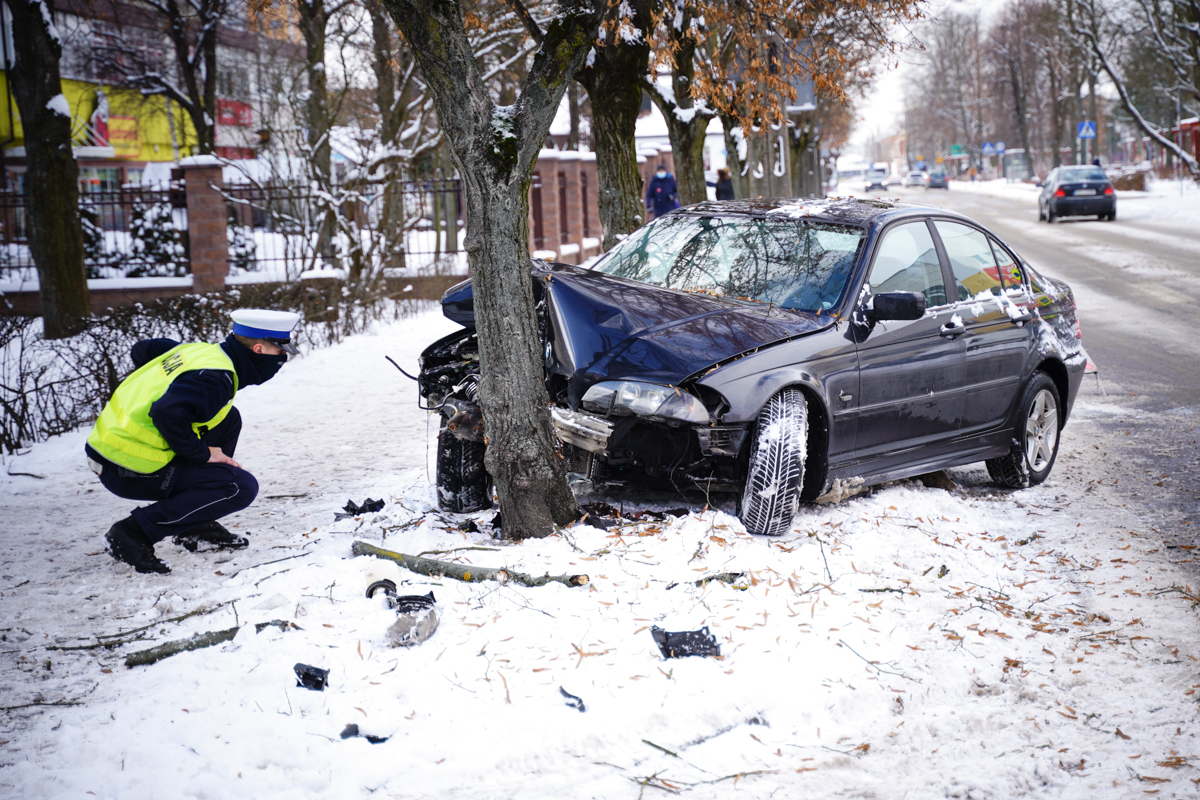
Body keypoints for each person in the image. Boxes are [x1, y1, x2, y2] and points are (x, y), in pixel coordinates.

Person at [85, 309, 301, 574]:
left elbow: (144, 350)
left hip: (107, 448)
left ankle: (194, 523)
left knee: (227, 418)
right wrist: (202, 454)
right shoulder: (214, 378)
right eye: (280, 352)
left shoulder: (202, 352)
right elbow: (167, 413)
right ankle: (132, 533)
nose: (282, 358)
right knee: (238, 487)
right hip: (129, 467)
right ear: (258, 349)